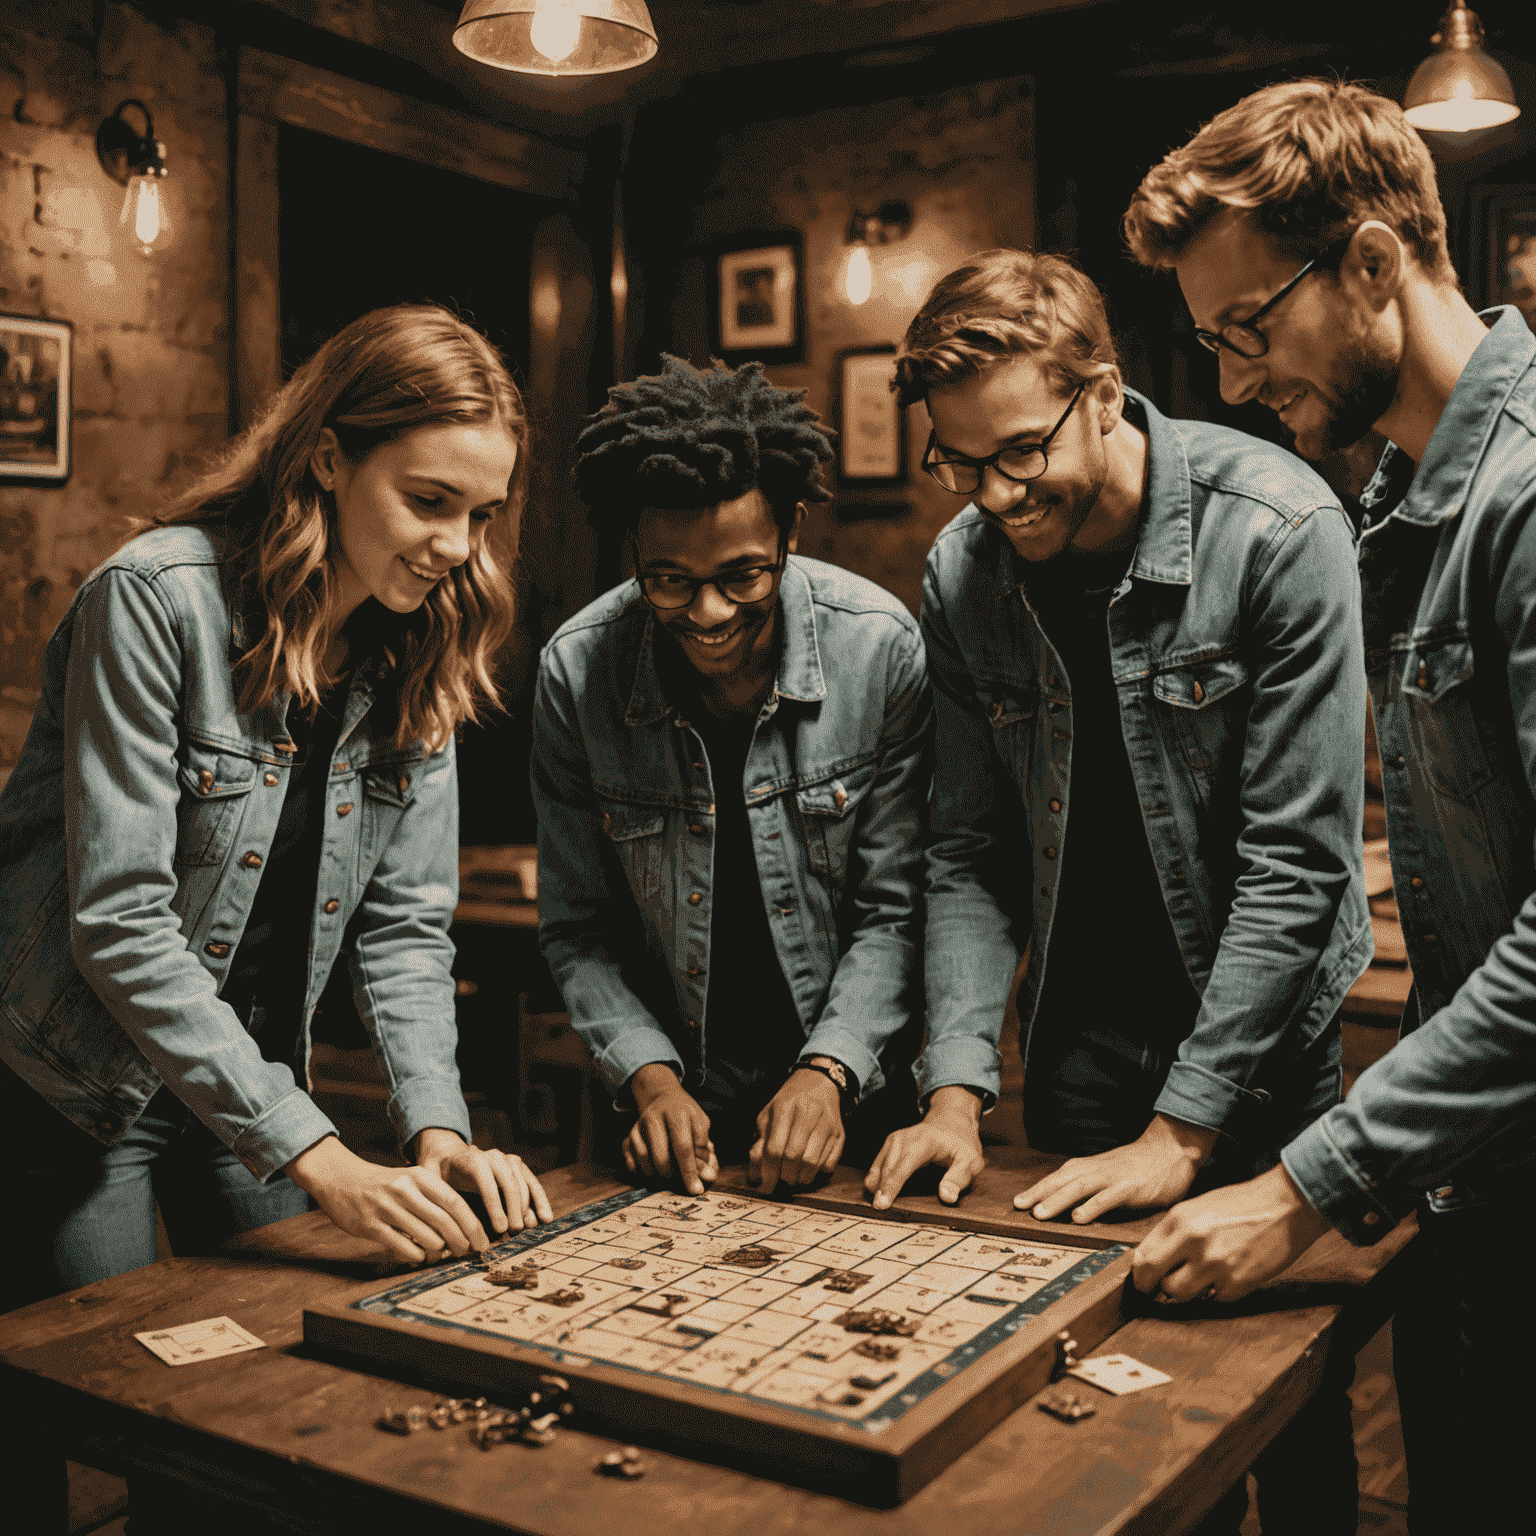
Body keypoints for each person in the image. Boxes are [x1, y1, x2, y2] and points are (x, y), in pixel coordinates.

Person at [862, 249, 1369, 1534]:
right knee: (1126, 1422)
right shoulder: (967, 569)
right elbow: (966, 852)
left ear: (1102, 390)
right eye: (959, 463)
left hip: (1262, 1057)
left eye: (1020, 451)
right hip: (1081, 1047)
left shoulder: (1280, 526)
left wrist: (1186, 1130)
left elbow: (1295, 864)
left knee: (1287, 1417)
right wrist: (958, 1091)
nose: (993, 494)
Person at [1122, 78, 1536, 1534]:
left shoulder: (1531, 498)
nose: (1234, 385)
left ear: (1372, 263)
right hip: (1472, 1195)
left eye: (1250, 328)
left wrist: (1304, 1181)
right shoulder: (1404, 496)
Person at [1, 304, 552, 1324]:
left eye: (481, 513)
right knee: (105, 1387)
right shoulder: (155, 598)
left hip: (253, 1077)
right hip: (72, 1082)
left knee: (261, 1375)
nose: (456, 547)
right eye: (429, 501)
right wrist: (329, 1163)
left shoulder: (419, 649)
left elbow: (402, 933)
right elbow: (119, 920)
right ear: (331, 459)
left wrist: (440, 1128)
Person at [532, 356, 930, 1196]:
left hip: (856, 1109)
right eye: (669, 581)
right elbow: (579, 929)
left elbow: (895, 910)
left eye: (742, 575)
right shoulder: (577, 672)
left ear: (790, 534)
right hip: (663, 1116)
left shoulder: (879, 649)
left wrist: (829, 1072)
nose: (706, 613)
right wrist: (651, 1080)